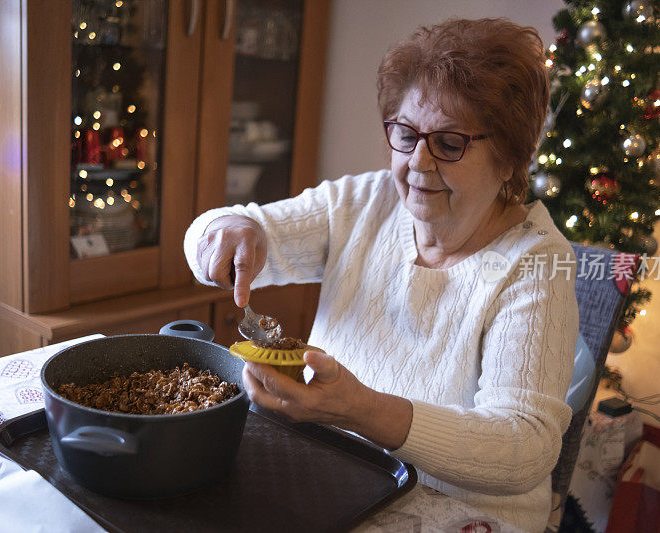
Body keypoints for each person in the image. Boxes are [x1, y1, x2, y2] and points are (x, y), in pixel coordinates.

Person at [184, 18, 578, 532]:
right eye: (407, 134)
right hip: (337, 480)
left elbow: (524, 448)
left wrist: (359, 410)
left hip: (464, 516)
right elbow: (215, 237)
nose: (419, 163)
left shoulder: (535, 263)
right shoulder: (365, 202)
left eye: (450, 143)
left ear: (509, 158)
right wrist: (228, 225)